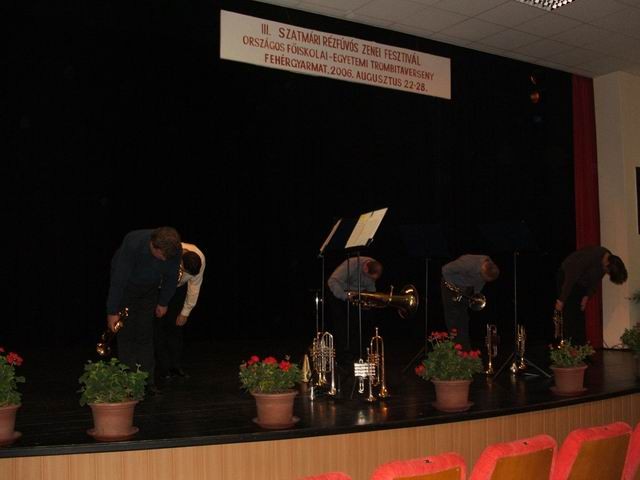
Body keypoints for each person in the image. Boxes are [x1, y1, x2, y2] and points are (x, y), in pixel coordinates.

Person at [106, 227, 182, 394]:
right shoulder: (133, 243)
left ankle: (147, 381)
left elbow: (171, 277)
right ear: (153, 245)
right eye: (162, 256)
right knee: (126, 335)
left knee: (145, 334)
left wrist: (163, 302)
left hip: (149, 290)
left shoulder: (173, 249)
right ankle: (128, 382)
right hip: (126, 289)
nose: (164, 260)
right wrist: (112, 311)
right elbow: (119, 279)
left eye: (167, 257)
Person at [555, 246, 627, 344]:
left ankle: (580, 347)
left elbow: (595, 281)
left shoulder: (608, 261)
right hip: (567, 277)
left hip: (580, 283)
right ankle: (569, 347)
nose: (606, 273)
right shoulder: (591, 256)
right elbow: (571, 277)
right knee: (569, 314)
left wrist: (586, 296)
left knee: (579, 316)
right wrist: (562, 299)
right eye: (608, 272)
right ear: (607, 264)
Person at [155, 242, 205, 380]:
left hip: (178, 289)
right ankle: (163, 368)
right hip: (158, 288)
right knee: (159, 328)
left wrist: (185, 312)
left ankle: (175, 366)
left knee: (176, 327)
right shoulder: (167, 253)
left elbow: (194, 287)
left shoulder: (199, 258)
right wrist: (162, 302)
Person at [327, 256, 383, 364]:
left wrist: (371, 299)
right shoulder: (352, 264)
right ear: (365, 268)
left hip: (355, 294)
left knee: (358, 323)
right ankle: (342, 356)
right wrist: (344, 296)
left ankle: (357, 354)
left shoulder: (373, 267)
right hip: (338, 292)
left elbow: (370, 286)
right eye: (369, 276)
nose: (371, 279)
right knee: (342, 325)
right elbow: (332, 281)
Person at [441, 255, 500, 350]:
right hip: (450, 285)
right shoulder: (468, 263)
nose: (483, 280)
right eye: (483, 277)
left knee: (464, 318)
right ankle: (455, 348)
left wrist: (476, 295)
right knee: (453, 319)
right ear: (482, 269)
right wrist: (453, 288)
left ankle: (464, 348)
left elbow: (480, 282)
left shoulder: (490, 266)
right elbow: (445, 270)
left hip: (465, 288)